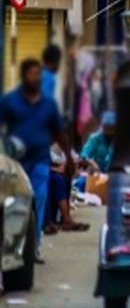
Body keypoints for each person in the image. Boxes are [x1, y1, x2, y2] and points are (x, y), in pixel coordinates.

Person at [0, 58, 73, 259]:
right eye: (32, 74)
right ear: (24, 76)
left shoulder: (48, 104)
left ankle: (34, 246)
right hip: (17, 162)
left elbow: (59, 132)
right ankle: (15, 244)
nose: (36, 78)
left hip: (40, 160)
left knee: (38, 200)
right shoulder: (9, 101)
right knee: (16, 202)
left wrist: (69, 158)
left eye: (38, 74)